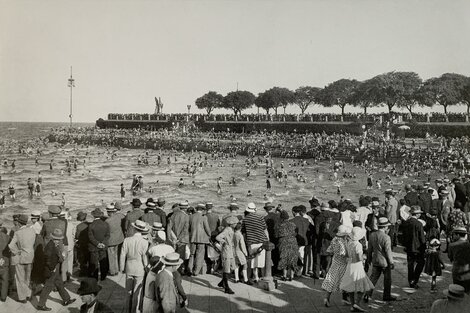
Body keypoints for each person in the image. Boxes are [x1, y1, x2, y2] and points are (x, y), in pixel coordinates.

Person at [37, 229, 76, 311]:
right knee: (48, 287)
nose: (59, 241)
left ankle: (66, 299)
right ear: (53, 238)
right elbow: (48, 259)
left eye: (59, 239)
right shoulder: (50, 246)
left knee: (59, 284)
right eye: (57, 239)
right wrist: (52, 268)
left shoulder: (54, 245)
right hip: (52, 269)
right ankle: (41, 305)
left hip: (55, 267)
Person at [340, 226, 373, 312]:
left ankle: (352, 304)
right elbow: (359, 257)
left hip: (350, 265)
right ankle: (356, 303)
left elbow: (347, 255)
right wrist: (364, 257)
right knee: (362, 287)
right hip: (357, 266)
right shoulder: (358, 245)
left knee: (351, 286)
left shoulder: (349, 243)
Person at [120, 219, 149, 313]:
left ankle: (127, 310)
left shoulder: (127, 240)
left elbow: (122, 255)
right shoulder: (144, 242)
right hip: (140, 268)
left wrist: (122, 267)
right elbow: (144, 257)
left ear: (134, 228)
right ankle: (134, 310)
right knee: (137, 292)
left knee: (128, 291)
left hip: (129, 266)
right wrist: (146, 267)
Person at [365, 217, 396, 302]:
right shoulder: (386, 237)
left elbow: (369, 249)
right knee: (387, 279)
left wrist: (369, 259)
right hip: (385, 261)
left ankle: (367, 294)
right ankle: (386, 295)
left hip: (375, 259)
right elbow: (388, 251)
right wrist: (391, 262)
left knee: (373, 278)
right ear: (385, 227)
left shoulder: (372, 235)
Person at [8, 214, 36, 303]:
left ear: (19, 223)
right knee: (28, 277)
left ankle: (22, 298)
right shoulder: (32, 231)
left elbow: (10, 245)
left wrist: (17, 251)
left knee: (20, 278)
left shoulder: (18, 233)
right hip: (30, 256)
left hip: (21, 257)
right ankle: (28, 294)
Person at [322, 224, 351, 307]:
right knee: (345, 281)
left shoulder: (334, 239)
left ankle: (326, 298)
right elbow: (343, 254)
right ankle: (344, 298)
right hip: (342, 264)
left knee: (331, 281)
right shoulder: (342, 242)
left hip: (335, 262)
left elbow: (329, 251)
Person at [241, 202, 269, 283]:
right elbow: (265, 230)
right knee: (261, 260)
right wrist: (267, 240)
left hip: (251, 242)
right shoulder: (260, 217)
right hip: (261, 241)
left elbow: (244, 232)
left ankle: (255, 276)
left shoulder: (245, 219)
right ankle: (263, 276)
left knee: (253, 260)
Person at [401, 205, 426, 289]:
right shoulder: (419, 224)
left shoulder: (406, 223)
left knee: (410, 264)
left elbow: (403, 236)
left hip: (409, 247)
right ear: (418, 214)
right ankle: (415, 280)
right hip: (417, 247)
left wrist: (405, 245)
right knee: (421, 263)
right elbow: (422, 238)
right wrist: (424, 248)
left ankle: (410, 280)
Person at [215, 215, 238, 294]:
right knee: (226, 269)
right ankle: (226, 287)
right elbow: (218, 237)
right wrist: (224, 242)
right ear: (231, 224)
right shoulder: (227, 230)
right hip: (227, 252)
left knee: (231, 267)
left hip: (230, 251)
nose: (236, 224)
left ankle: (222, 282)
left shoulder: (230, 229)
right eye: (235, 223)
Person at [166, 202, 190, 275]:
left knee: (173, 255)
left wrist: (169, 238)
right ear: (186, 208)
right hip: (181, 240)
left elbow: (169, 228)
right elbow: (185, 230)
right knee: (181, 256)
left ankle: (172, 270)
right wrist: (178, 239)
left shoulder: (173, 215)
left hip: (173, 239)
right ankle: (178, 272)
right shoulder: (186, 216)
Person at [188, 204, 210, 276]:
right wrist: (209, 234)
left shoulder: (191, 216)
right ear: (203, 210)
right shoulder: (204, 217)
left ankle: (189, 269)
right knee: (199, 255)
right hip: (201, 239)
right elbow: (206, 228)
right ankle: (196, 271)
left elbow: (189, 228)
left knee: (191, 254)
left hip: (192, 238)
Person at [277, 210, 300, 281]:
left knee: (284, 258)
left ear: (281, 218)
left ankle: (284, 275)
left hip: (283, 242)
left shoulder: (280, 225)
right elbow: (296, 232)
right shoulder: (293, 224)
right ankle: (291, 276)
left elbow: (277, 235)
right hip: (293, 242)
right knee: (293, 258)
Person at [88, 208, 110, 281]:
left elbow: (90, 237)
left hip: (94, 247)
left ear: (93, 216)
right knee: (103, 262)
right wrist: (102, 243)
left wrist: (97, 244)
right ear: (100, 215)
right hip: (103, 245)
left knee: (94, 263)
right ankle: (103, 277)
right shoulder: (106, 224)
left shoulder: (91, 225)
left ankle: (95, 278)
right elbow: (108, 235)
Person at [448, 227, 470, 292]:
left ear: (457, 235)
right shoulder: (469, 244)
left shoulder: (451, 245)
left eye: (454, 235)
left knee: (457, 291)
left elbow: (450, 258)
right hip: (468, 272)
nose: (453, 236)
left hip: (457, 272)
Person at [106, 204, 124, 276]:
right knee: (116, 255)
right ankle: (116, 269)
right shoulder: (118, 217)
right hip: (118, 238)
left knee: (111, 255)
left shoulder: (107, 221)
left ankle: (112, 271)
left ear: (108, 212)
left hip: (111, 240)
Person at [75, 211, 90, 276]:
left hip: (82, 244)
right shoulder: (89, 224)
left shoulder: (79, 226)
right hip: (89, 243)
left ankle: (83, 272)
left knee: (82, 258)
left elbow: (77, 236)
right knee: (88, 257)